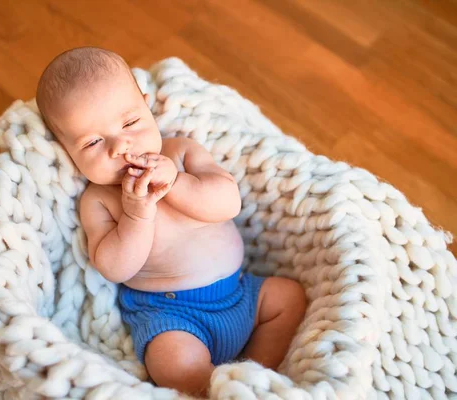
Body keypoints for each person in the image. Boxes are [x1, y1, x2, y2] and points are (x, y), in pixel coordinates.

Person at [36, 46, 306, 397]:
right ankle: (216, 389)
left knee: (289, 298)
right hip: (172, 316)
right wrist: (136, 214)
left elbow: (228, 202)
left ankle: (252, 375)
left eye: (131, 123)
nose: (120, 146)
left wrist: (176, 183)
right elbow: (115, 267)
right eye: (93, 142)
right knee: (171, 363)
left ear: (147, 107)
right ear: (67, 151)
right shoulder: (99, 200)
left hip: (242, 294)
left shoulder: (180, 152)